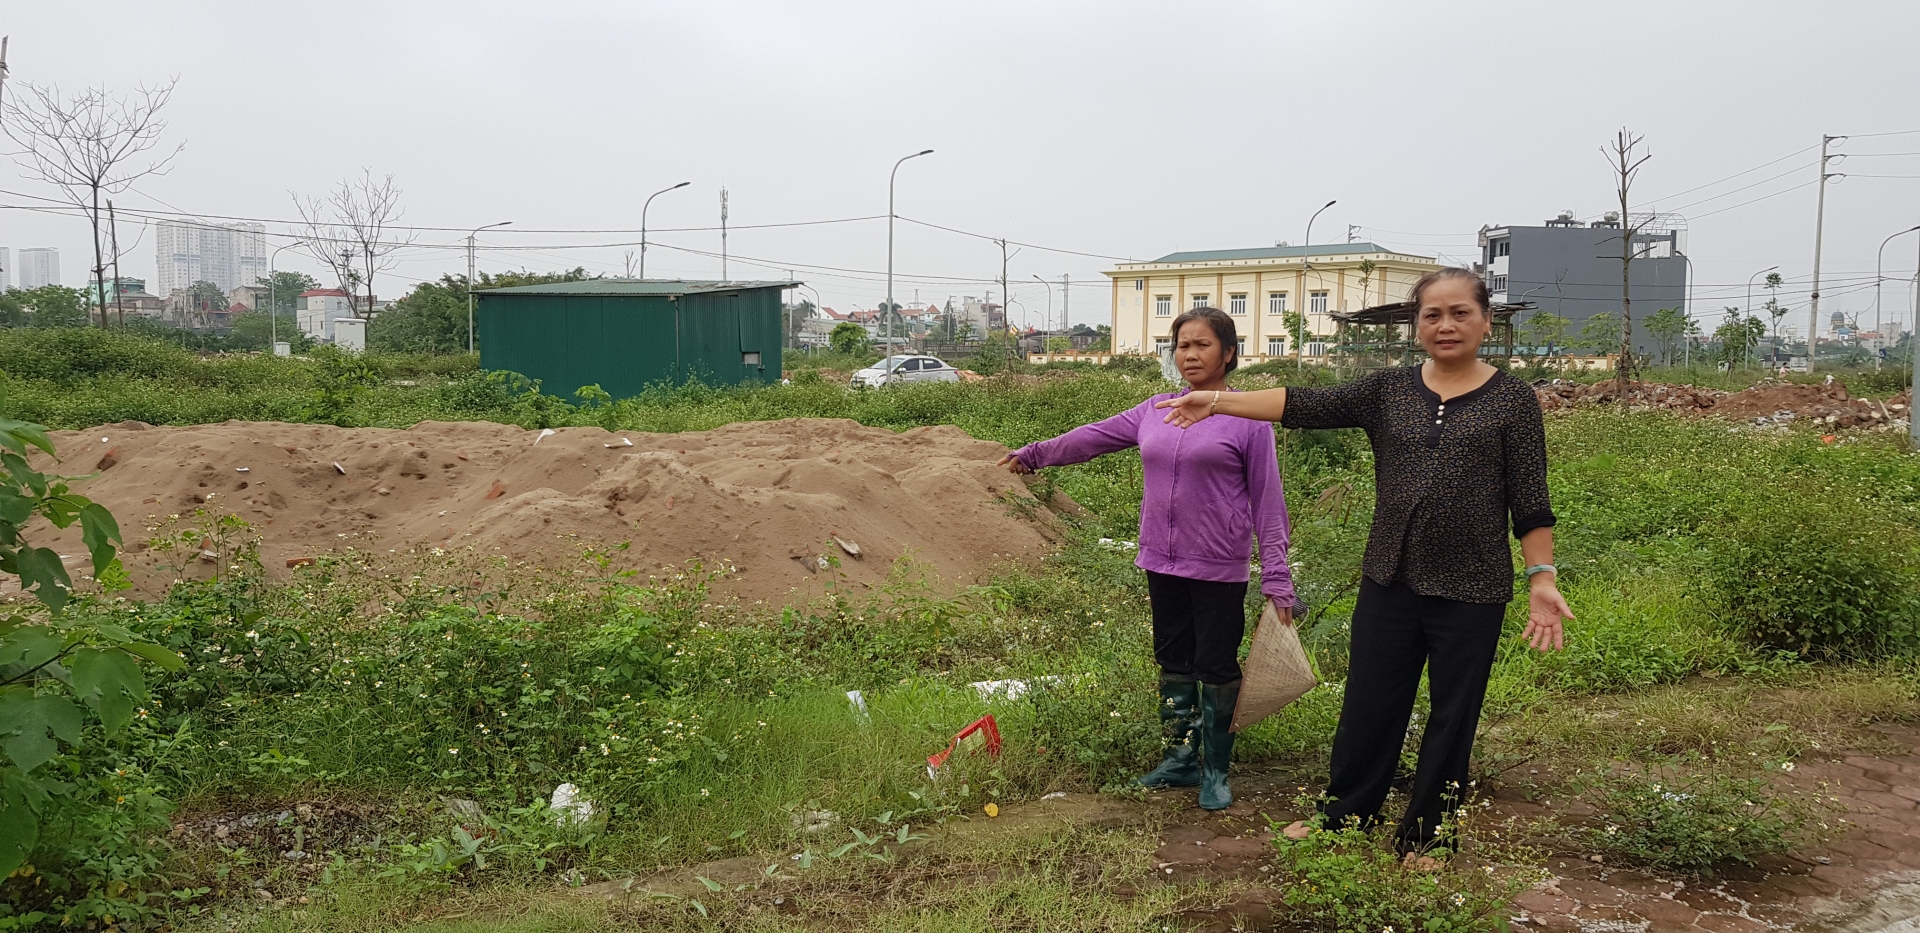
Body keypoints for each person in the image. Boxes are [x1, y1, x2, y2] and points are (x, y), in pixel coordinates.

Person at [1155, 268, 1573, 857]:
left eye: (1460, 313)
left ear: (1485, 321)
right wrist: (1216, 402)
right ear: (1416, 324)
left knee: (1452, 714)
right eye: (1432, 314)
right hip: (1389, 577)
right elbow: (1303, 404)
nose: (1445, 325)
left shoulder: (1513, 401)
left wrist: (1541, 578)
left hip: (1472, 585)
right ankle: (1346, 815)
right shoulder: (1389, 390)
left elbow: (1531, 501)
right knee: (1370, 704)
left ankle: (1428, 837)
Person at [998, 307, 1295, 811]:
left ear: (1228, 353)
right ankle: (1179, 761)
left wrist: (1277, 576)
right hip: (1162, 560)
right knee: (1173, 659)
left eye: (1202, 345)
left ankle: (1216, 771)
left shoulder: (1248, 419)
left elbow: (1269, 501)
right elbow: (1092, 437)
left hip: (1219, 565)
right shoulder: (1154, 409)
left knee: (1216, 666)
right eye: (1182, 345)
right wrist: (1034, 454)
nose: (1190, 354)